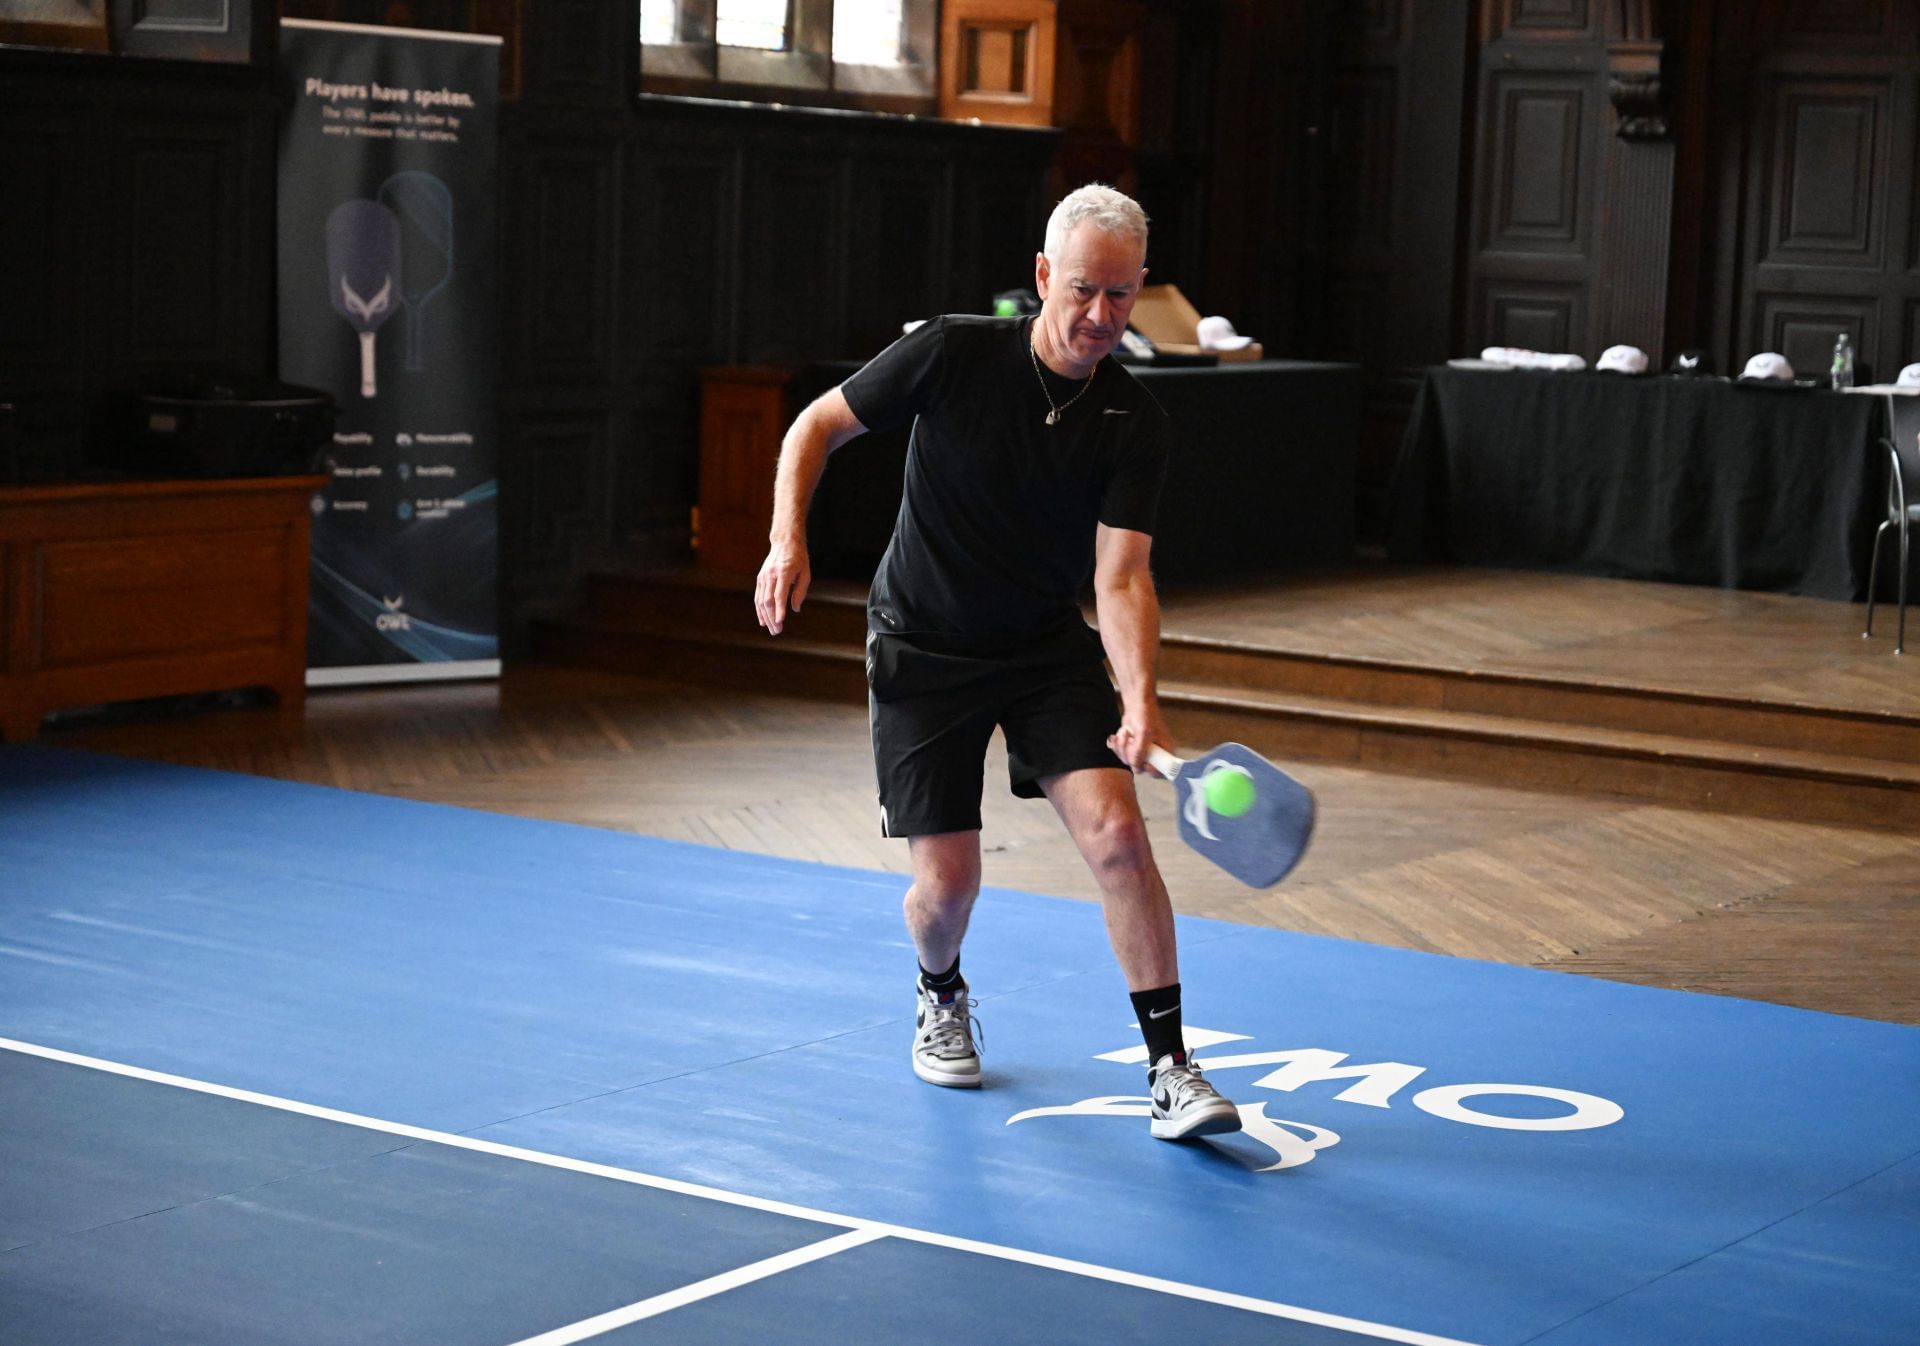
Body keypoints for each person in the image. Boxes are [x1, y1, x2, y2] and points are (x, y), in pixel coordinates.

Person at [753, 184, 1239, 1142]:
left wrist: (1141, 702)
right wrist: (786, 541)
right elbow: (815, 426)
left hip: (1040, 648)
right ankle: (941, 991)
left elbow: (1124, 578)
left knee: (1119, 840)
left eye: (1123, 296)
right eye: (1085, 292)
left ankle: (1172, 1068)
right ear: (1043, 276)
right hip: (923, 645)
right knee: (950, 886)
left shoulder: (1135, 421)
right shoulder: (951, 351)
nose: (1101, 317)